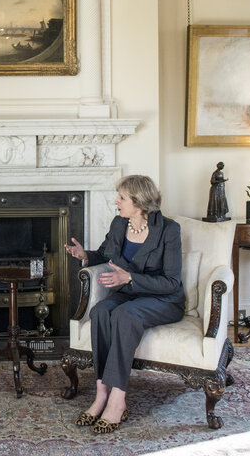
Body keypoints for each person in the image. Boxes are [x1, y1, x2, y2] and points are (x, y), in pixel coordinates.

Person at [64, 175, 184, 434]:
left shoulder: (169, 230)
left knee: (124, 315)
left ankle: (118, 400)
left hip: (162, 299)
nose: (116, 201)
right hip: (129, 294)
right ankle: (101, 394)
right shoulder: (119, 224)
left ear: (139, 202)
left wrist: (130, 277)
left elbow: (172, 282)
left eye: (121, 197)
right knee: (100, 312)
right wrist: (85, 255)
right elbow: (105, 254)